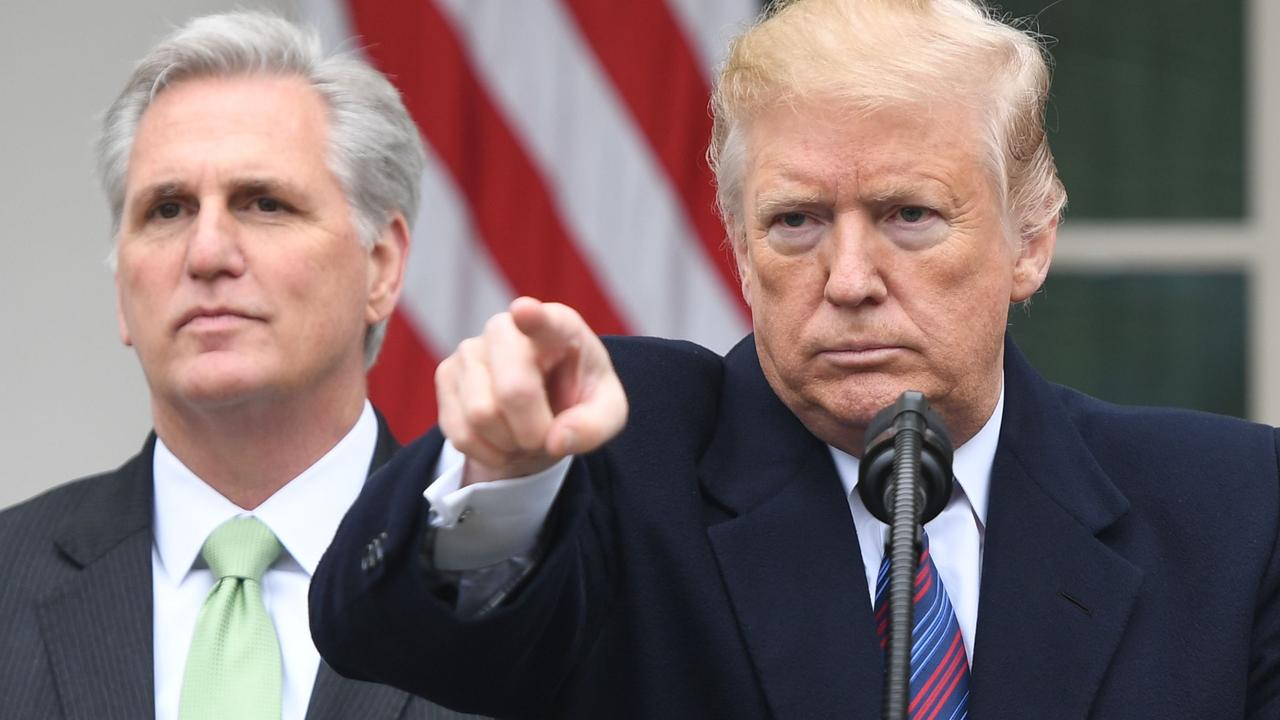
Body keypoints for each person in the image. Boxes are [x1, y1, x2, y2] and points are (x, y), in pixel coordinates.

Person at [310, 0, 1280, 717]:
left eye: (907, 215)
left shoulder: (1231, 512)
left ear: (1028, 240)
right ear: (737, 248)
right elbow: (390, 632)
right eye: (796, 222)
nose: (848, 276)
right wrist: (501, 477)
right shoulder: (627, 458)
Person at [0, 12, 479, 720]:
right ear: (121, 290)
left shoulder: (510, 584)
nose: (207, 253)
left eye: (263, 203)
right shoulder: (10, 578)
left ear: (380, 266)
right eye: (167, 210)